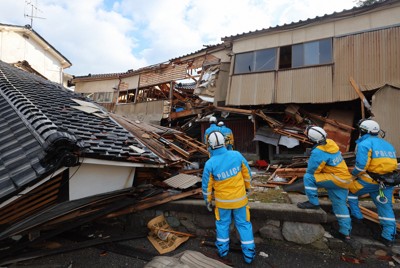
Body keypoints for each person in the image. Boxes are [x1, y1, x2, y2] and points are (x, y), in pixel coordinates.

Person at [202, 131, 256, 264]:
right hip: (240, 201)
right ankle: (249, 255)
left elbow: (206, 186)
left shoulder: (210, 163)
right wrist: (248, 187)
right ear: (224, 142)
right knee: (244, 225)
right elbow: (247, 173)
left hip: (223, 204)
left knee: (222, 225)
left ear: (209, 145)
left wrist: (208, 201)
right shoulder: (236, 155)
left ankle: (222, 252)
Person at [297, 126, 353, 242]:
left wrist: (312, 158)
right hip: (344, 179)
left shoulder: (318, 152)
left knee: (308, 177)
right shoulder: (330, 143)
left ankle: (313, 202)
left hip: (335, 178)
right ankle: (345, 233)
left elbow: (313, 171)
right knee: (340, 204)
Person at [347, 119, 398, 247]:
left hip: (369, 180)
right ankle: (388, 237)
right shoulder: (388, 144)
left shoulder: (365, 144)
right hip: (387, 182)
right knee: (386, 208)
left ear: (362, 131)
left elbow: (360, 167)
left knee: (349, 192)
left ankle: (357, 218)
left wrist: (351, 176)